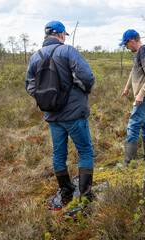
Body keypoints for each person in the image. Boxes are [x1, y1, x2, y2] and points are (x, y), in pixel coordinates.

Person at [25, 20, 95, 218]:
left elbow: (30, 86)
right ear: (62, 34)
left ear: (46, 35)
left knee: (59, 153)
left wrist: (47, 100)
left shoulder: (34, 57)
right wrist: (82, 92)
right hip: (74, 114)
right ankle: (86, 196)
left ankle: (66, 192)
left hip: (52, 116)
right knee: (85, 151)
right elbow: (87, 77)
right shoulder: (69, 51)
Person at [119, 29, 145, 166]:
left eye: (126, 44)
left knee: (133, 127)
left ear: (131, 41)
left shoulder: (144, 51)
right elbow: (134, 72)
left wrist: (140, 94)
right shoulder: (141, 53)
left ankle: (128, 164)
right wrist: (127, 88)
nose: (126, 47)